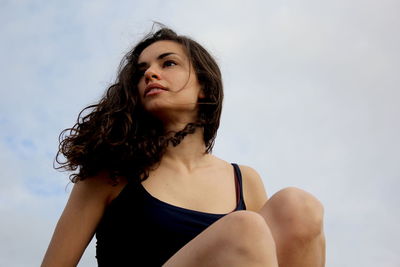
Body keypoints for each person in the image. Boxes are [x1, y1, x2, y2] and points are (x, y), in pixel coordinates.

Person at [41, 25, 326, 267]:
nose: (151, 74)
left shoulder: (244, 180)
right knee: (245, 228)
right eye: (142, 71)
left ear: (204, 87)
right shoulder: (110, 172)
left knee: (298, 206)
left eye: (168, 63)